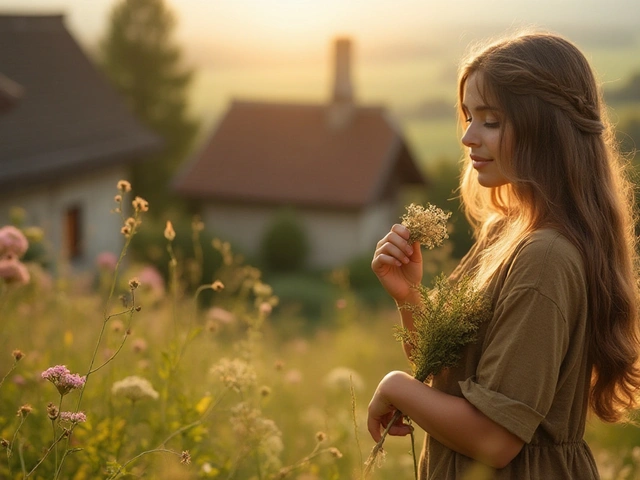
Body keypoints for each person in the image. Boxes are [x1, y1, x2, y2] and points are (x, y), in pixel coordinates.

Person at [367, 31, 640, 479]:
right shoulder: (504, 233)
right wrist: (408, 295)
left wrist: (395, 387)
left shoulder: (546, 256)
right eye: (469, 117)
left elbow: (495, 440)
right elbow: (446, 376)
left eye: (491, 121)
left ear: (545, 129)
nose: (468, 137)